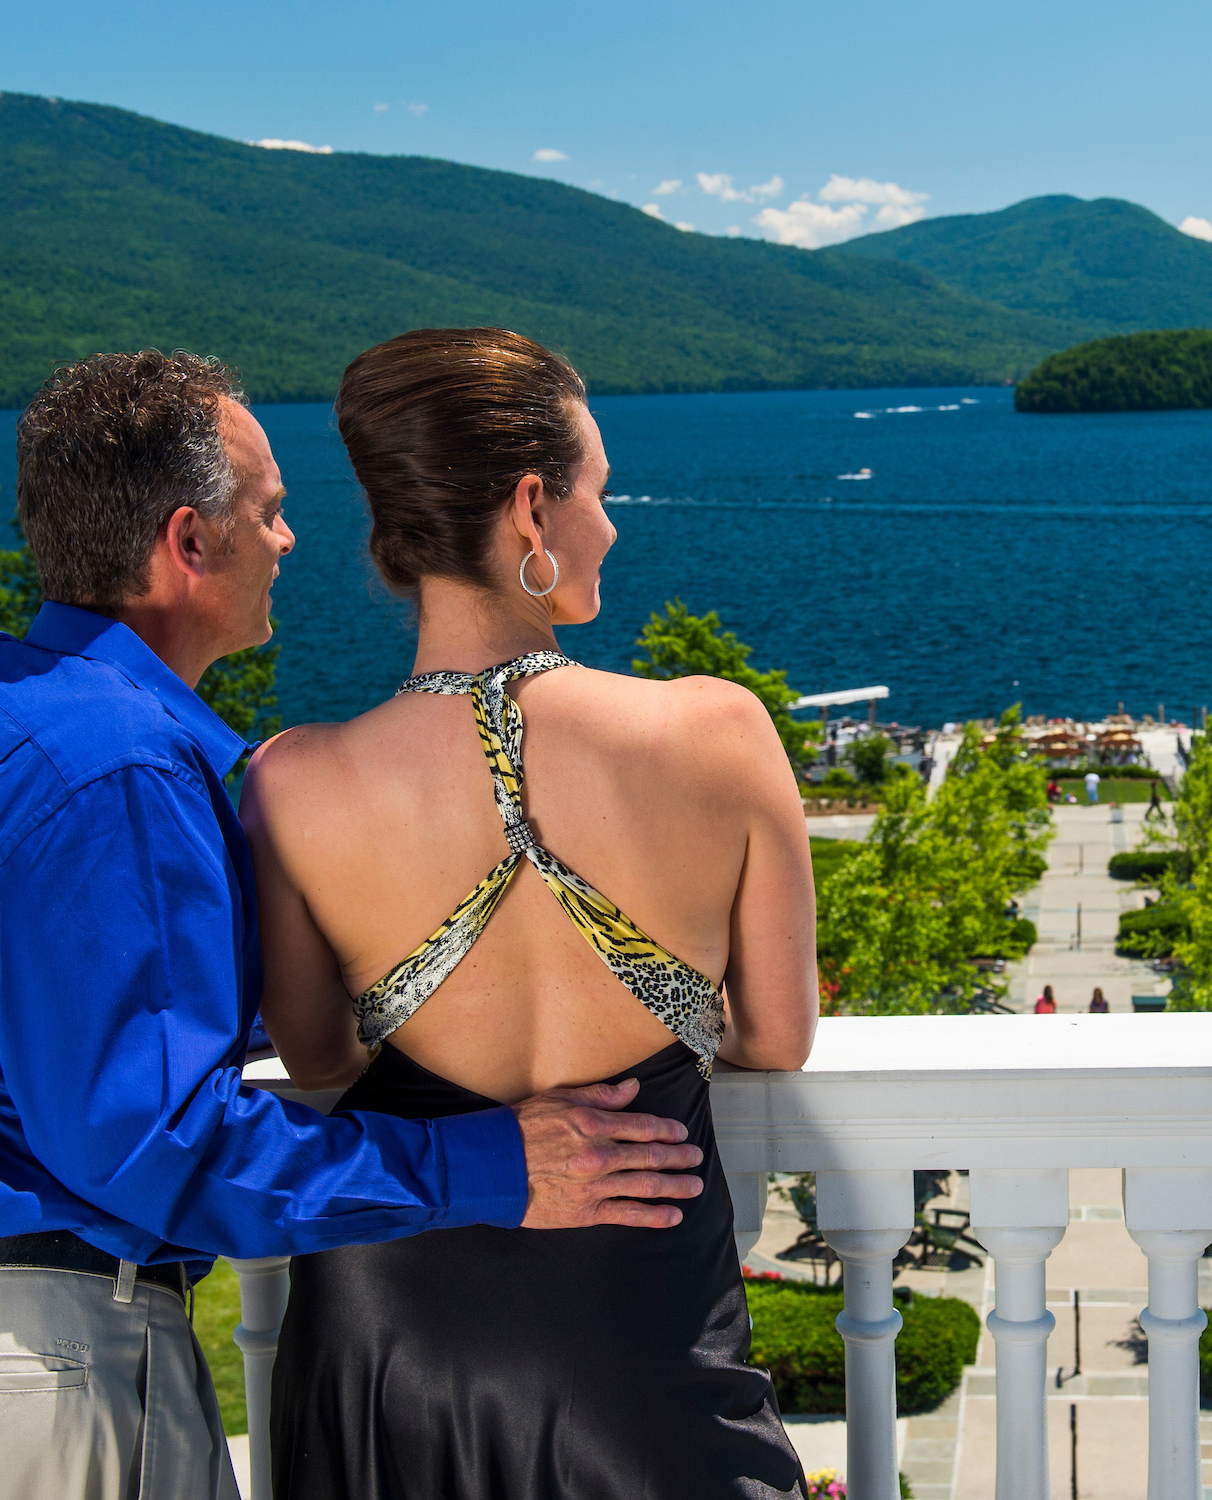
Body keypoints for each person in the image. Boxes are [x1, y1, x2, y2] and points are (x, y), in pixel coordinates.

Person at [0, 351, 702, 1500]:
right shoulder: (115, 772)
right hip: (25, 1378)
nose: (286, 542)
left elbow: (25, 1015)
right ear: (188, 543)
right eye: (268, 515)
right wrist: (489, 1164)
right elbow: (154, 1148)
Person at [244, 329, 816, 1499]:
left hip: (385, 1328)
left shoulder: (293, 779)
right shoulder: (718, 731)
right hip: (633, 1330)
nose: (611, 523)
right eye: (598, 490)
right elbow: (775, 1036)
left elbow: (316, 1053)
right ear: (531, 511)